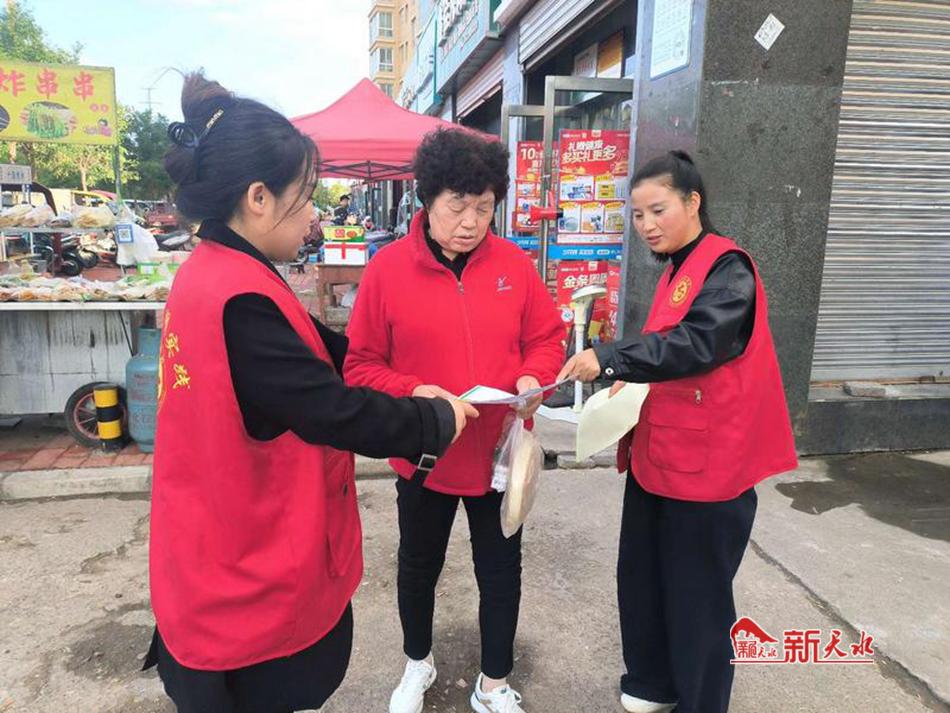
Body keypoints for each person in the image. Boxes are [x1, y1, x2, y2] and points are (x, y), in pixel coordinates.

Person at [145, 73, 478, 713]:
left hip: (210, 548)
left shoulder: (219, 271)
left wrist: (408, 382)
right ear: (259, 198)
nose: (314, 216)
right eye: (305, 199)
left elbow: (319, 351)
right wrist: (432, 420)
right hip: (245, 579)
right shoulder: (240, 300)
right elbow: (331, 410)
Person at [558, 150, 798, 713]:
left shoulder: (729, 269)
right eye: (638, 215)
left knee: (698, 596)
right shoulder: (675, 268)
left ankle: (700, 700)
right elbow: (665, 353)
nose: (646, 225)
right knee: (643, 576)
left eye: (658, 210)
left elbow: (698, 343)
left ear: (693, 202)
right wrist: (628, 383)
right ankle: (653, 681)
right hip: (661, 453)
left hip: (708, 466)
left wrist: (611, 358)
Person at [344, 128, 566, 713]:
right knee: (418, 567)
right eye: (457, 206)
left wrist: (531, 377)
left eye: (484, 208)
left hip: (500, 453)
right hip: (425, 451)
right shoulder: (388, 270)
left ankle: (493, 682)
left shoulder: (514, 264)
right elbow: (361, 365)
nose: (471, 222)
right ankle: (418, 662)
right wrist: (415, 390)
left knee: (501, 569)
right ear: (428, 199)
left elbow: (546, 338)